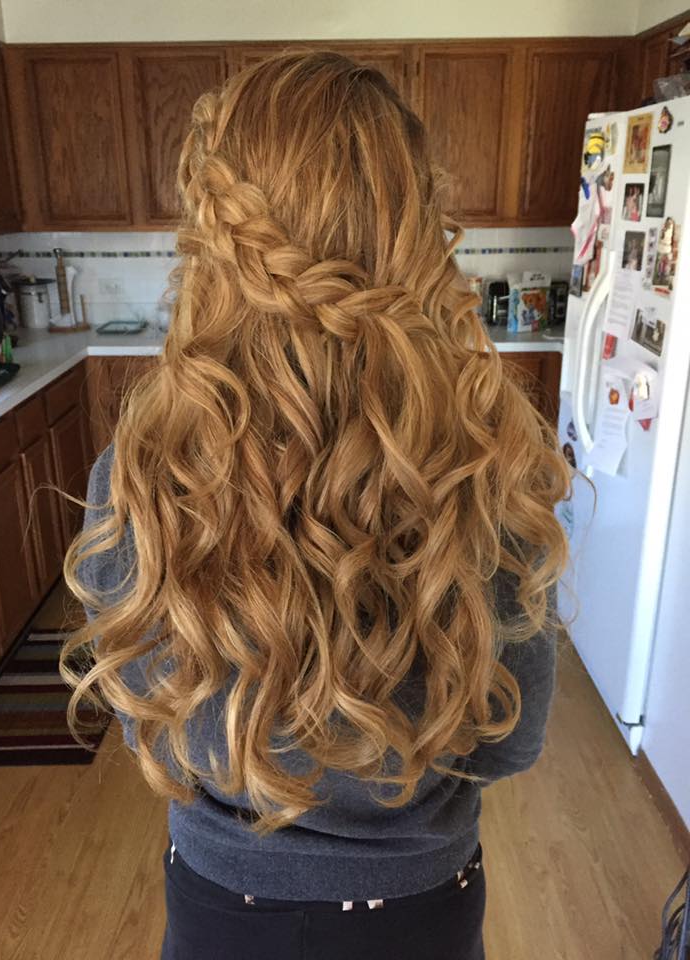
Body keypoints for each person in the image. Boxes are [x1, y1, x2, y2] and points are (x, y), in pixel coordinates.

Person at [61, 51, 571, 960]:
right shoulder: (488, 474)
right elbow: (511, 742)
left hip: (221, 905)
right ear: (417, 227)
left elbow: (149, 712)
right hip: (421, 907)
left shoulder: (143, 474)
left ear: (213, 240)